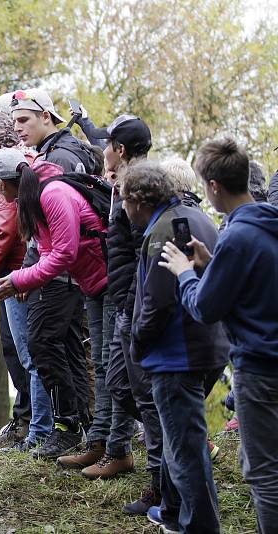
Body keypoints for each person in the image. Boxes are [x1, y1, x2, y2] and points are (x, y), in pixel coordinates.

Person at [159, 139, 278, 534]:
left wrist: (185, 273)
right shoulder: (267, 224)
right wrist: (213, 266)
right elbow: (255, 286)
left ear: (212, 186)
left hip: (260, 371)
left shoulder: (236, 235)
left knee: (263, 473)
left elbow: (205, 308)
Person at [122, 162, 228, 533]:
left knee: (186, 446)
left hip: (177, 354)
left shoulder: (164, 231)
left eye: (123, 200)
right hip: (209, 345)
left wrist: (136, 343)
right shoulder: (194, 217)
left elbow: (157, 303)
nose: (122, 209)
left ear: (138, 199)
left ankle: (198, 525)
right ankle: (170, 511)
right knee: (176, 435)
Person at [0, 144, 107, 460]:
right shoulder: (34, 194)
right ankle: (82, 429)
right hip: (77, 281)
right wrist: (25, 274)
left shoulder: (51, 194)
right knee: (65, 349)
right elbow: (45, 247)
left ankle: (68, 427)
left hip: (81, 280)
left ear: (0, 184)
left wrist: (20, 279)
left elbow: (65, 253)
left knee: (43, 345)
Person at [60, 116, 152, 488]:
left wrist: (127, 295)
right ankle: (98, 440)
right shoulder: (118, 183)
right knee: (101, 362)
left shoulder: (139, 185)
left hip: (121, 291)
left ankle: (119, 449)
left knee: (118, 372)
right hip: (103, 284)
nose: (103, 150)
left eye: (108, 144)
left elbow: (139, 246)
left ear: (121, 151)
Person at [0, 111, 50, 450]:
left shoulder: (4, 176)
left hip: (17, 273)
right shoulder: (33, 162)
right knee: (38, 353)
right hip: (35, 268)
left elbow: (6, 227)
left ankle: (40, 431)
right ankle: (43, 426)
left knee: (29, 355)